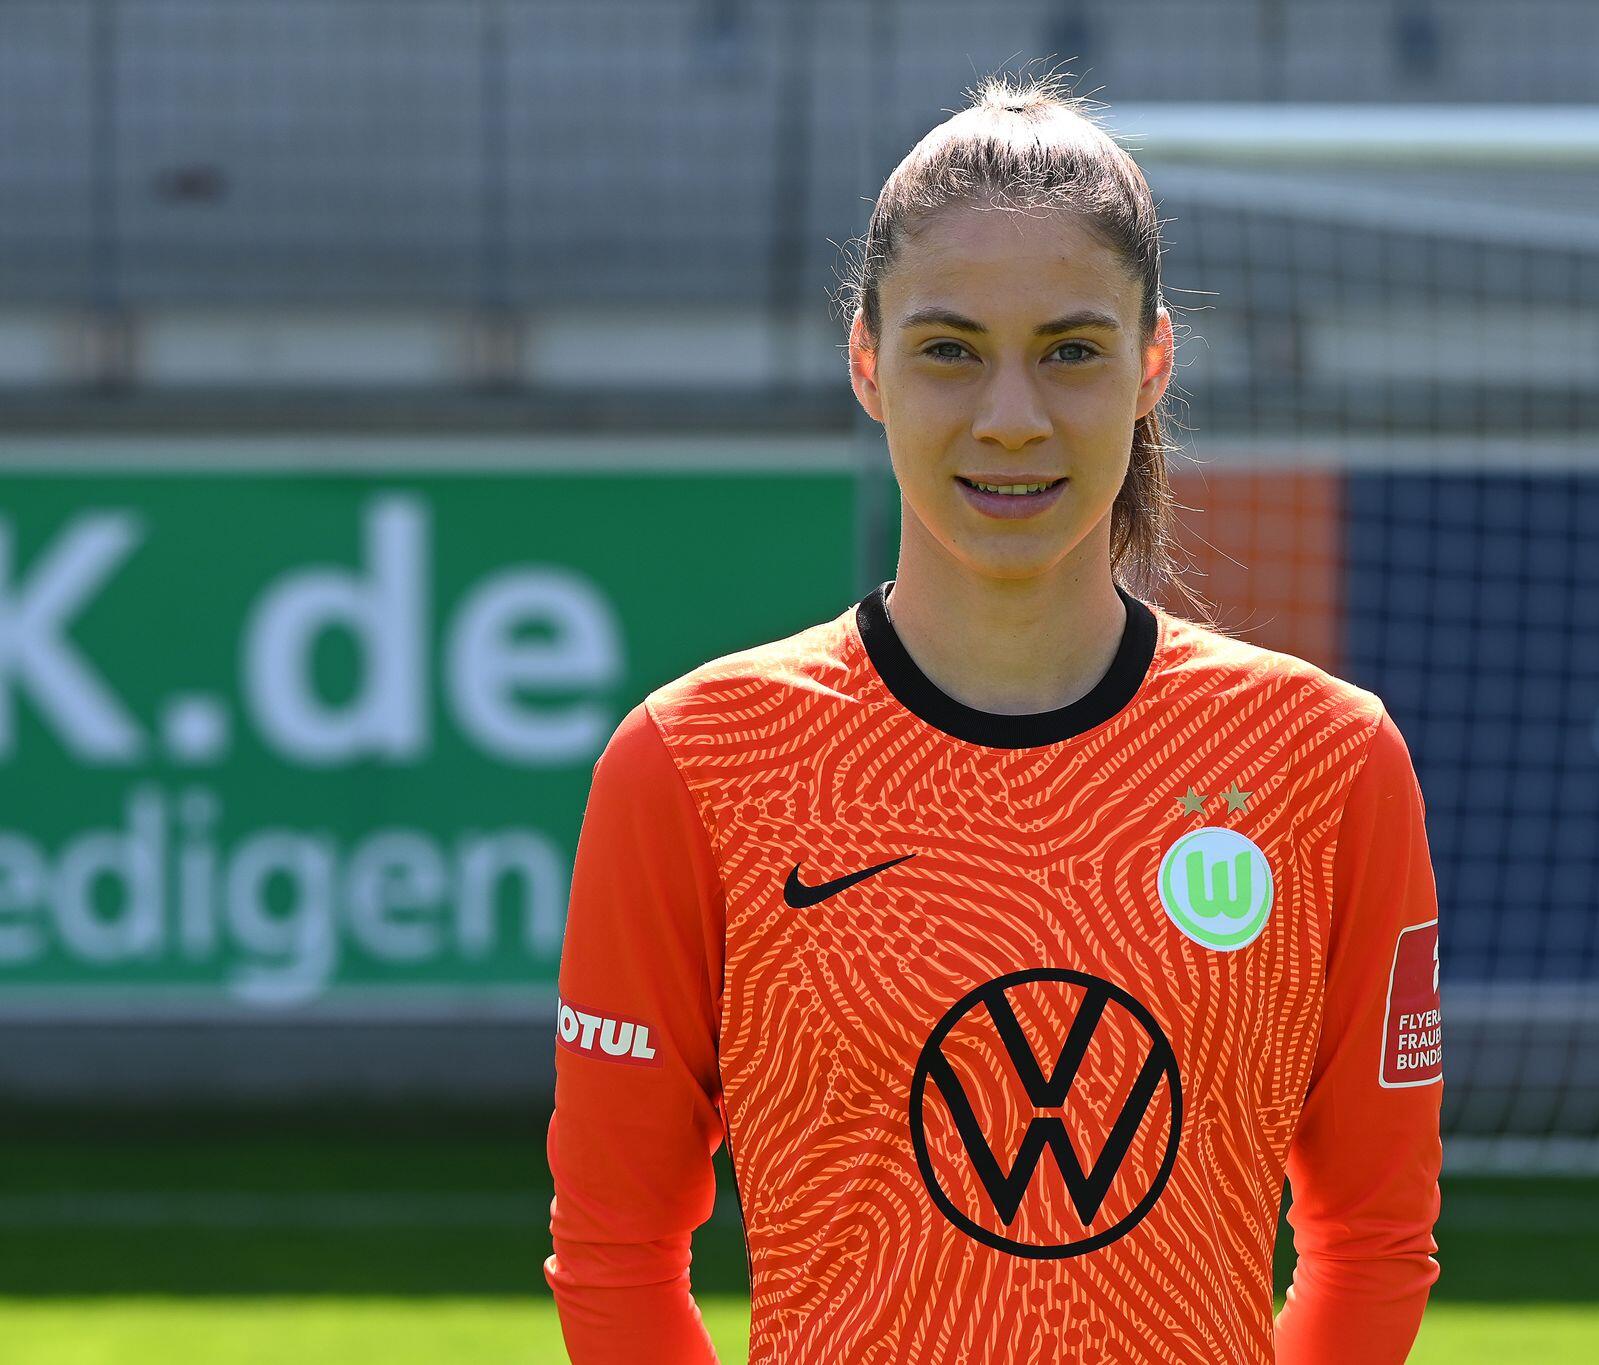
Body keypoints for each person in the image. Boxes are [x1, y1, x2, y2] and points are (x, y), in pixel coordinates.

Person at [544, 70, 1443, 1364]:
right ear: (867, 362)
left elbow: (1375, 1238)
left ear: (1153, 362)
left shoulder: (1325, 759)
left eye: (1070, 351)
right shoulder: (693, 760)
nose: (1010, 419)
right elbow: (615, 1250)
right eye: (950, 350)